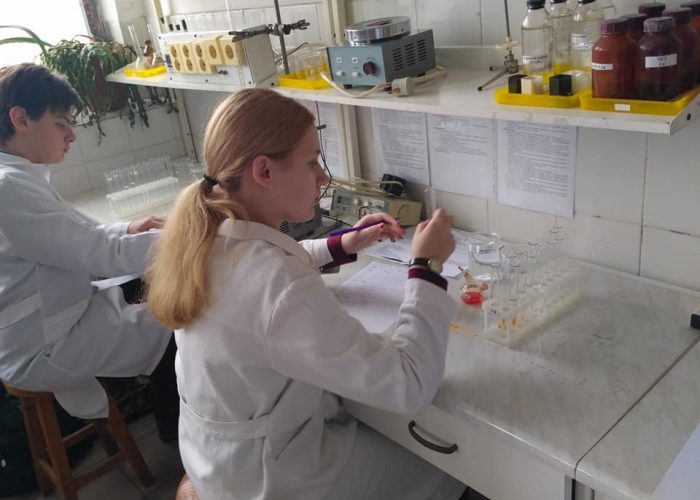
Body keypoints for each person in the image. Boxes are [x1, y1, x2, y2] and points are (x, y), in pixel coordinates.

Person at [146, 88, 464, 499]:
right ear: (264, 171)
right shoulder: (279, 285)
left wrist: (343, 244)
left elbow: (272, 267)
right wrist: (426, 265)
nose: (323, 177)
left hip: (217, 461)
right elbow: (409, 383)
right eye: (312, 161)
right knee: (447, 469)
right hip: (273, 481)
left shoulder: (205, 238)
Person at [0, 63, 178, 441]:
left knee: (154, 289)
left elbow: (80, 236)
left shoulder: (17, 176)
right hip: (43, 342)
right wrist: (186, 239)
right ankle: (178, 436)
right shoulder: (8, 187)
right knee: (177, 321)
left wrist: (128, 228)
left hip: (53, 317)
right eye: (61, 123)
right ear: (21, 119)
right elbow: (97, 253)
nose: (71, 135)